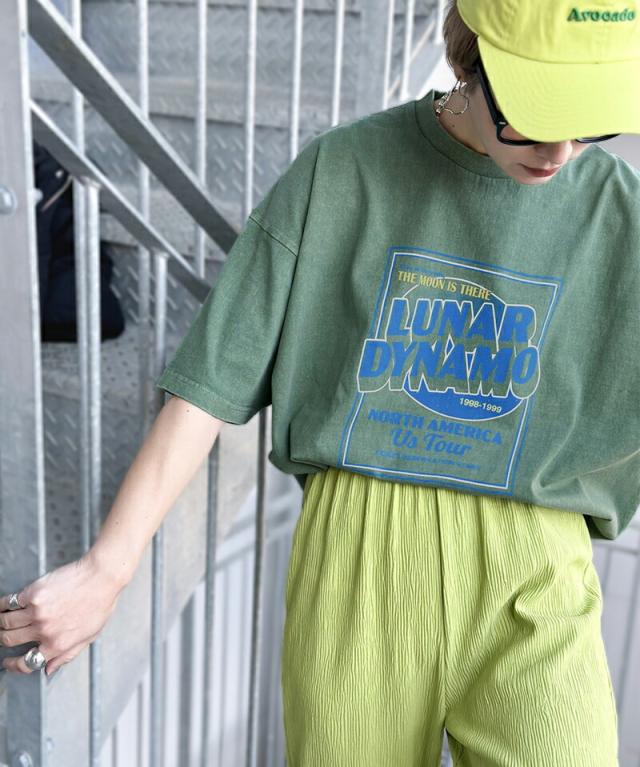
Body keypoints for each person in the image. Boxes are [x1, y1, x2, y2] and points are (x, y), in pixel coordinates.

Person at [1, 0, 639, 764]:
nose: (560, 150)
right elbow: (213, 377)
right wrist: (109, 568)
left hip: (538, 562)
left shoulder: (620, 214)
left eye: (590, 121)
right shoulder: (342, 171)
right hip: (360, 555)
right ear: (473, 60)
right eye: (535, 117)